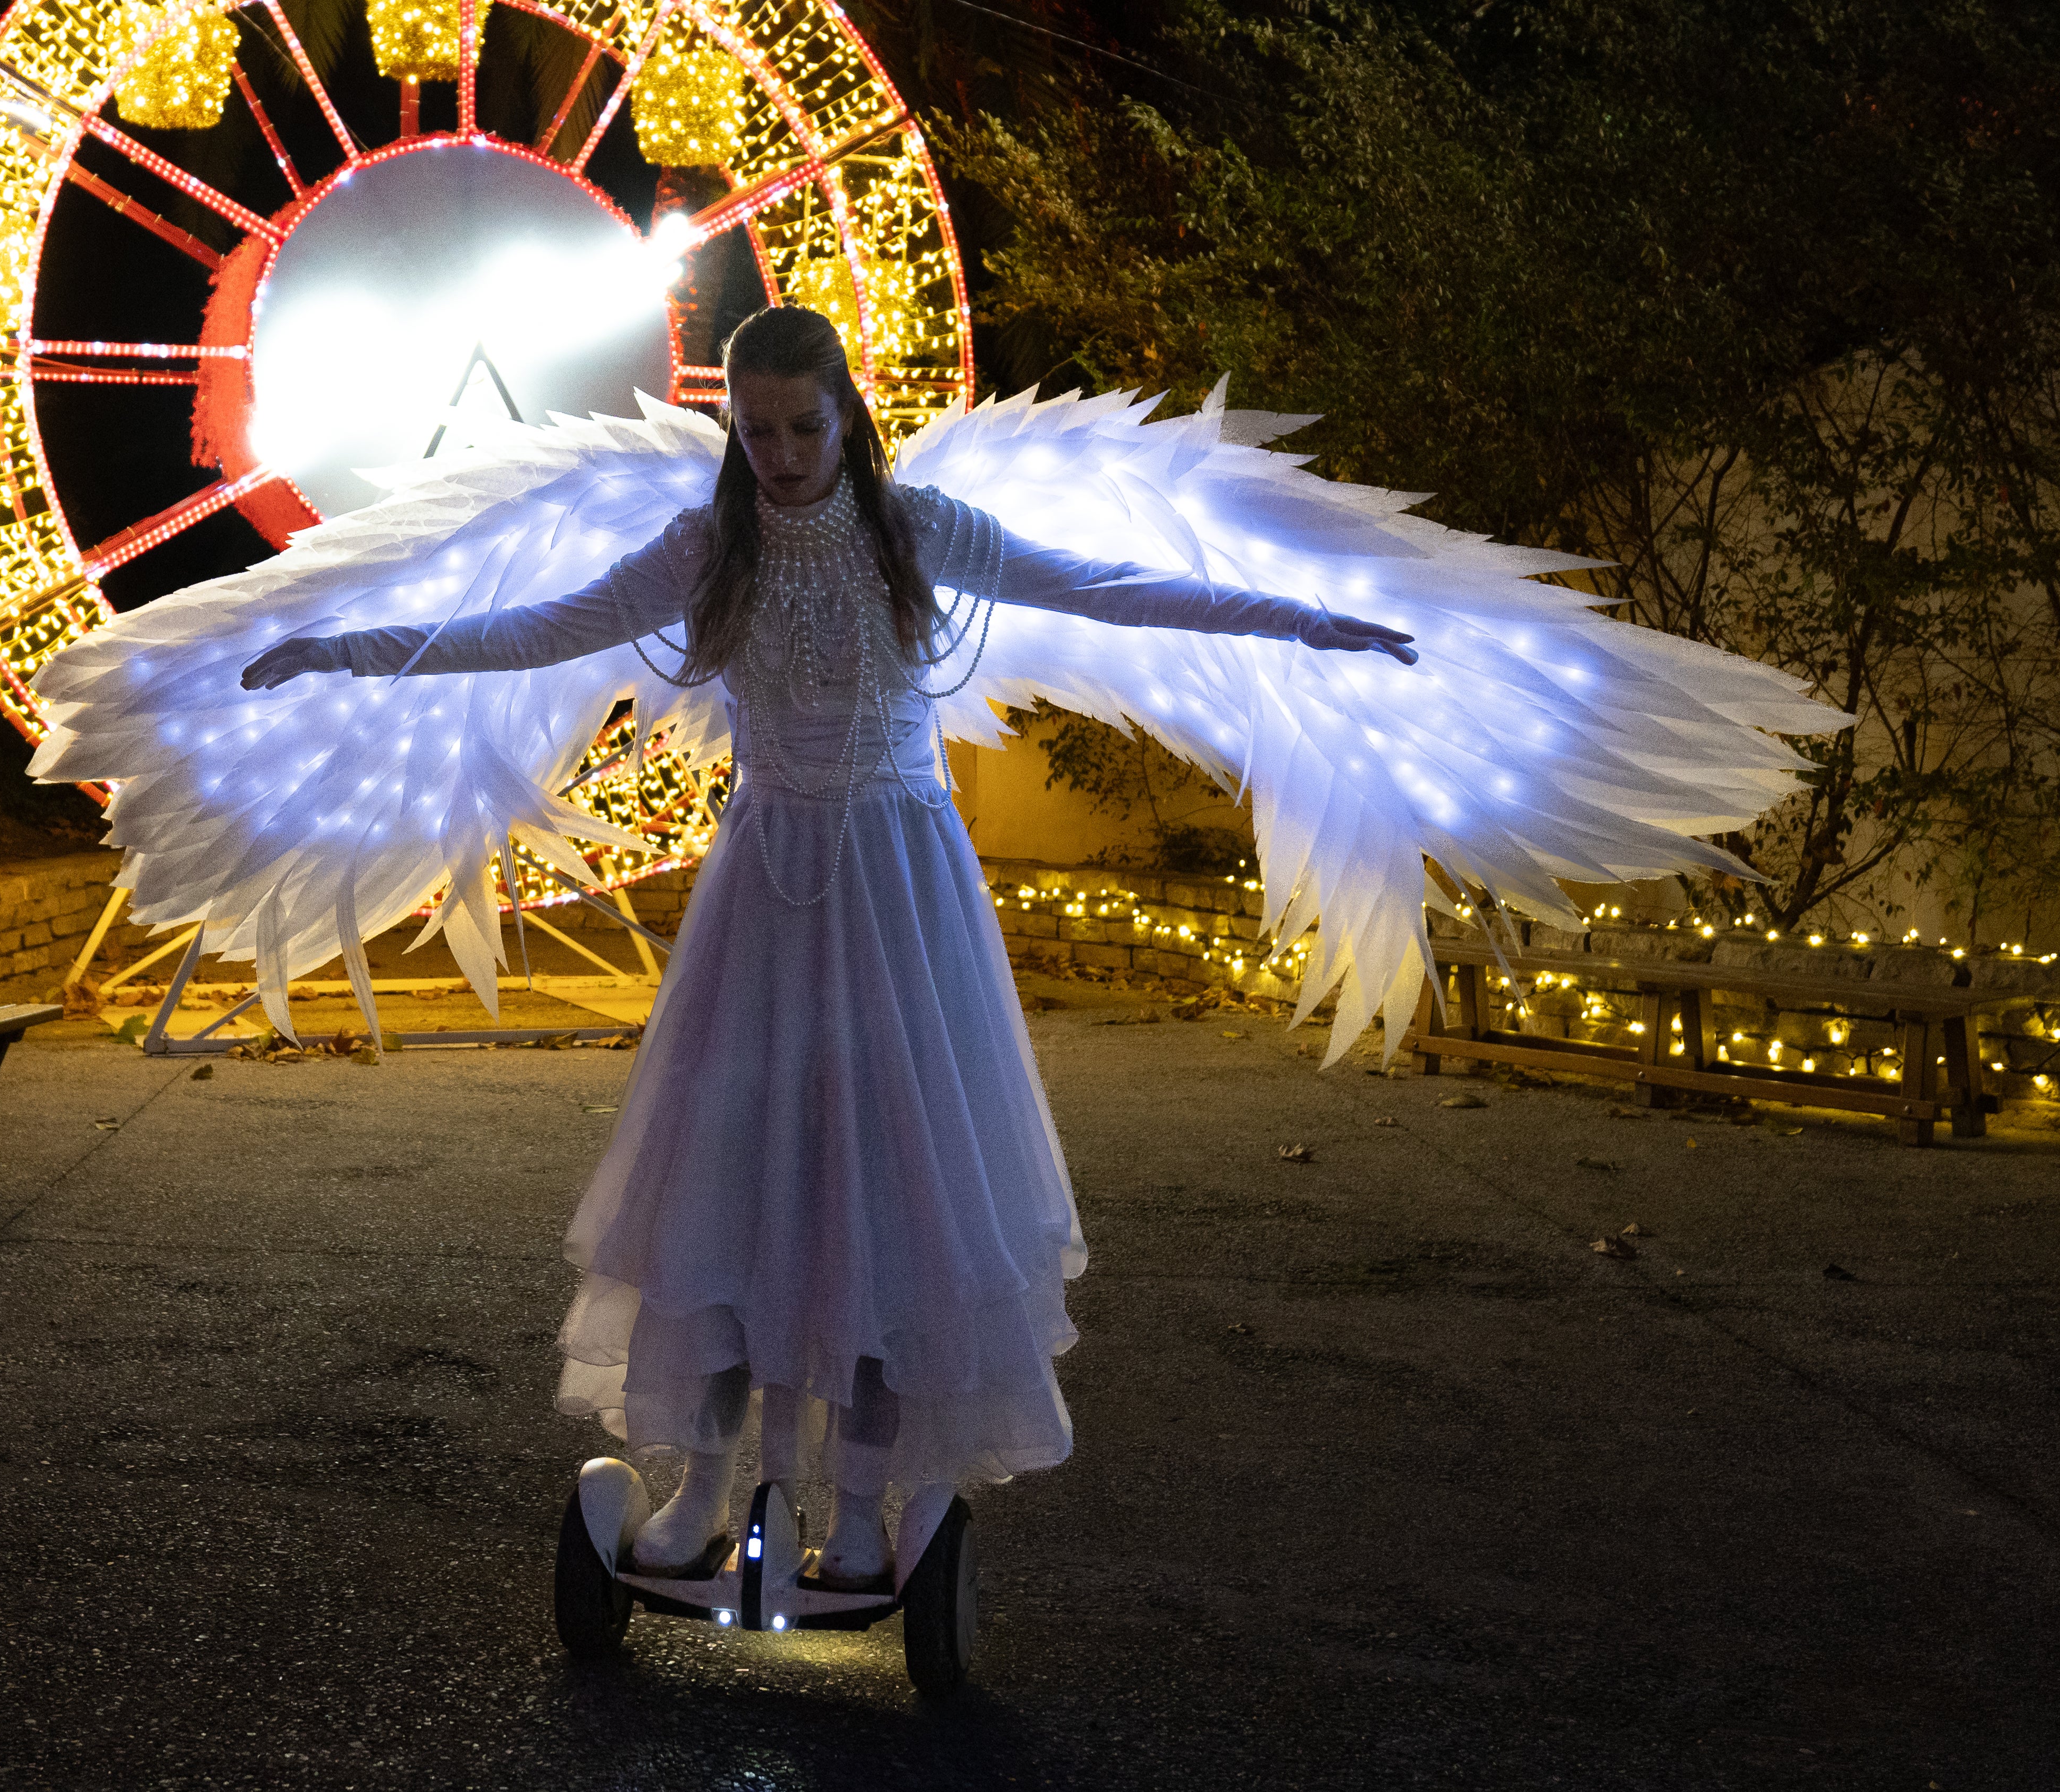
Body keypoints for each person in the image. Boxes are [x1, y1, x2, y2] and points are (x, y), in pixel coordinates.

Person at [239, 306, 1416, 1588]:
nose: (785, 453)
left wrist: (1302, 620)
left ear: (849, 417)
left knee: (885, 1192)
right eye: (757, 432)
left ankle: (859, 1503)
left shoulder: (914, 532)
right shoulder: (706, 547)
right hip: (766, 893)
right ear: (733, 430)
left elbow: (1101, 586)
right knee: (735, 1183)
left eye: (806, 426)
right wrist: (348, 650)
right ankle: (704, 1479)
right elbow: (537, 626)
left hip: (899, 893)